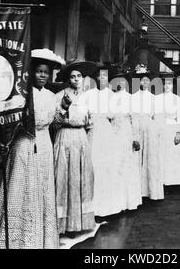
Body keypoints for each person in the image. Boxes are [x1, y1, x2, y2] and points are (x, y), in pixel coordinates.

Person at [0, 48, 64, 249]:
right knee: (21, 186)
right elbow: (8, 121)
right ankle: (17, 240)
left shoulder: (50, 95)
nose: (42, 76)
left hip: (45, 145)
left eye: (46, 73)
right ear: (31, 72)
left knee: (42, 188)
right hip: (24, 144)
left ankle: (41, 239)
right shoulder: (21, 94)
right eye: (39, 71)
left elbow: (56, 121)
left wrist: (64, 107)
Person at [53, 60, 97, 235]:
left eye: (79, 76)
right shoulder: (59, 96)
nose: (76, 79)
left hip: (81, 138)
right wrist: (64, 108)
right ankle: (63, 223)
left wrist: (89, 143)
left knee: (80, 178)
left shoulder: (87, 97)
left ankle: (80, 222)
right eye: (73, 77)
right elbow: (55, 121)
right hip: (65, 136)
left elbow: (91, 123)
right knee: (64, 177)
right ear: (68, 79)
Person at [85, 66, 126, 217]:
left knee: (108, 167)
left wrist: (115, 136)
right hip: (93, 132)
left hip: (107, 133)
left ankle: (110, 207)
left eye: (104, 76)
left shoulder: (112, 96)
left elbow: (117, 118)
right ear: (95, 78)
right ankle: (93, 208)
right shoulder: (89, 94)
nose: (101, 78)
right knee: (94, 165)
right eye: (99, 75)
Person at [110, 71, 142, 211]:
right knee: (114, 165)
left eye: (123, 81)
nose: (120, 83)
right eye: (118, 80)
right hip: (112, 133)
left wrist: (135, 138)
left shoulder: (130, 98)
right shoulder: (110, 97)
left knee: (127, 165)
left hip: (126, 133)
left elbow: (135, 119)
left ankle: (129, 202)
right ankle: (116, 202)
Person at [131, 64, 163, 201]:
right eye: (142, 80)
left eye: (147, 80)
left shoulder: (154, 98)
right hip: (138, 127)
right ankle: (138, 192)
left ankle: (151, 191)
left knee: (150, 158)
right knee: (137, 158)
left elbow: (157, 117)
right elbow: (133, 116)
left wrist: (157, 130)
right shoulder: (134, 97)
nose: (144, 83)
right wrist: (134, 133)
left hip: (150, 129)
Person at [155, 73, 180, 188]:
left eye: (169, 83)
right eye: (165, 84)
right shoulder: (157, 98)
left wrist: (179, 133)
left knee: (173, 155)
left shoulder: (177, 99)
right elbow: (155, 116)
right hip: (161, 129)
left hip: (173, 129)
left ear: (172, 85)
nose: (167, 86)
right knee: (161, 154)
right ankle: (162, 181)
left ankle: (174, 181)